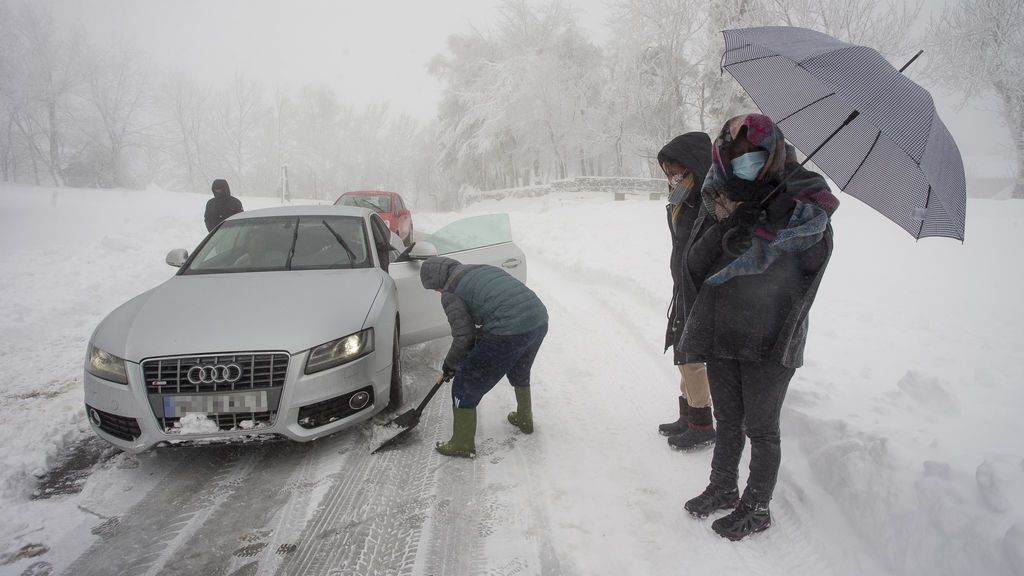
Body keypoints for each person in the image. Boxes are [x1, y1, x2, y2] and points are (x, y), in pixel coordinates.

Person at [678, 113, 839, 541]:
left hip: (770, 335)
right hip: (722, 329)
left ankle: (757, 506)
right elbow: (694, 266)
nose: (746, 162)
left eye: (756, 154)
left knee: (762, 428)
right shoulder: (718, 196)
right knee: (728, 419)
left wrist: (781, 226)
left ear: (774, 154)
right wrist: (733, 222)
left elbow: (810, 270)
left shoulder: (806, 202)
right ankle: (723, 487)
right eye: (738, 155)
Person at [419, 256, 549, 458]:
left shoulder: (450, 293)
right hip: (538, 319)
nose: (437, 292)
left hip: (509, 329)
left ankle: (461, 444)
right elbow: (487, 310)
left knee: (466, 381)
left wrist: (451, 364)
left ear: (438, 282)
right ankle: (524, 418)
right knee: (520, 368)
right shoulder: (477, 268)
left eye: (434, 288)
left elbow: (464, 336)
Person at [656, 132, 717, 451]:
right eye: (668, 172)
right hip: (683, 284)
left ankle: (702, 423)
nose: (672, 178)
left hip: (699, 287)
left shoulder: (708, 203)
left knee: (691, 356)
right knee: (682, 350)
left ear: (694, 166)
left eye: (677, 171)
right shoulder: (683, 198)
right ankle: (687, 413)